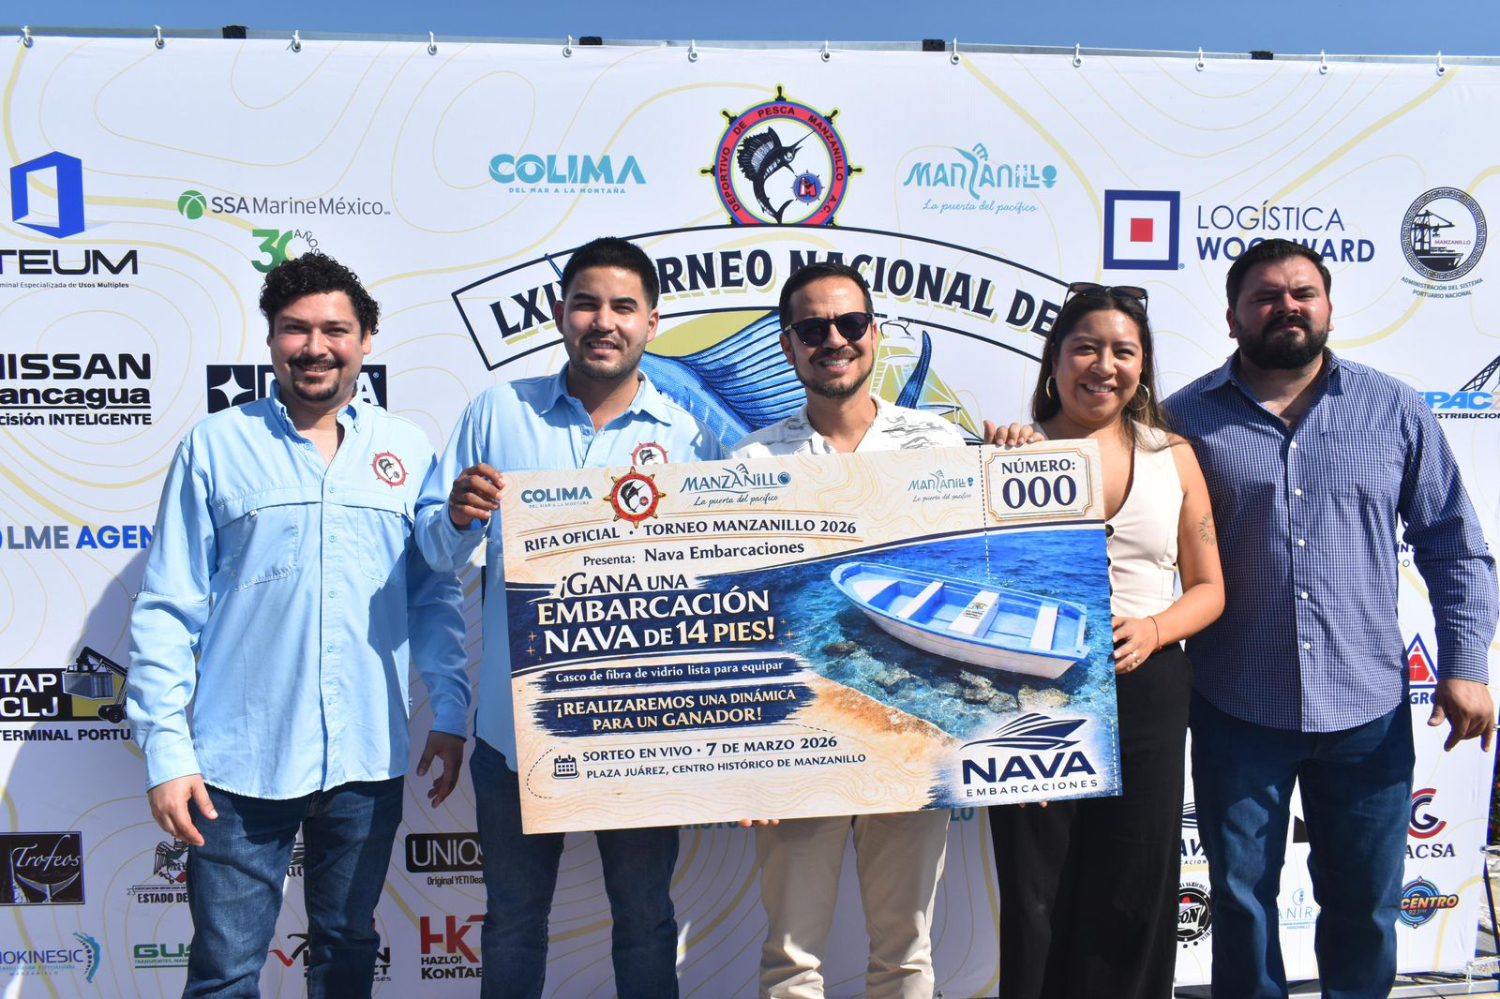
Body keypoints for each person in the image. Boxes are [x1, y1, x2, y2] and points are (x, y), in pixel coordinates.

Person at [125, 252, 470, 998]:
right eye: (295, 329)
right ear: (271, 338)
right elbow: (169, 607)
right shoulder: (214, 446)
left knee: (347, 951)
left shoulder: (407, 450)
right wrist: (166, 750)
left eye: (335, 330)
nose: (315, 347)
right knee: (224, 973)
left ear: (366, 339)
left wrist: (449, 709)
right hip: (238, 764)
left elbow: (432, 595)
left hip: (365, 759)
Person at [1166, 238, 1499, 999]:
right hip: (1236, 708)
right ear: (1232, 317)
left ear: (1328, 308)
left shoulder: (1394, 409)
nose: (1286, 306)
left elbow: (1453, 542)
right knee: (1242, 908)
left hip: (1366, 713)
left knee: (1365, 909)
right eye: (1265, 296)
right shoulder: (1184, 419)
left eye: (1302, 293)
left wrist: (1466, 665)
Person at [413, 236, 724, 999]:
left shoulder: (687, 437)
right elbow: (433, 552)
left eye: (623, 307)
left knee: (646, 921)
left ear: (652, 321)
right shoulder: (497, 412)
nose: (603, 321)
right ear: (559, 314)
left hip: (641, 733)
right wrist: (456, 515)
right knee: (513, 922)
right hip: (513, 736)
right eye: (586, 304)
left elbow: (722, 581)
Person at [733, 260, 966, 999]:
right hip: (797, 733)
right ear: (788, 344)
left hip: (913, 725)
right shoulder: (748, 462)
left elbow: (980, 574)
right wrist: (738, 759)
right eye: (812, 328)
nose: (833, 339)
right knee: (791, 958)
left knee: (906, 953)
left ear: (874, 334)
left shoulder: (941, 445)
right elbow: (738, 618)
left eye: (850, 322)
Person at [986, 283, 1224, 999]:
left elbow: (1209, 588)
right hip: (1032, 691)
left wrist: (1154, 628)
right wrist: (992, 465)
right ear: (1055, 359)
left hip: (1147, 688)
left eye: (1123, 350)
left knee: (1133, 888)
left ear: (1143, 365)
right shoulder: (1008, 454)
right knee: (1037, 890)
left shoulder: (1173, 455)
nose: (1104, 365)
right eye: (1085, 347)